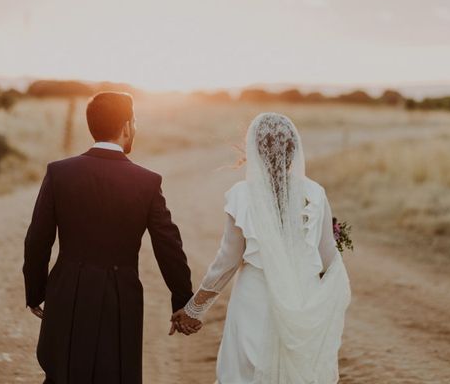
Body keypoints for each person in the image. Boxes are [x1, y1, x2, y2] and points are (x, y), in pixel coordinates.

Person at [23, 91, 195, 384]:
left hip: (66, 292)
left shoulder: (60, 173)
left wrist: (36, 291)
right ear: (126, 126)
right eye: (135, 121)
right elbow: (168, 245)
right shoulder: (147, 182)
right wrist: (182, 300)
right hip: (120, 296)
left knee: (63, 374)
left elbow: (37, 240)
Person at [172, 112, 351, 383]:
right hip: (300, 301)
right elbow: (328, 261)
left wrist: (194, 309)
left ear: (255, 151)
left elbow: (227, 261)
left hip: (254, 304)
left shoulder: (242, 196)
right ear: (293, 150)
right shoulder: (315, 194)